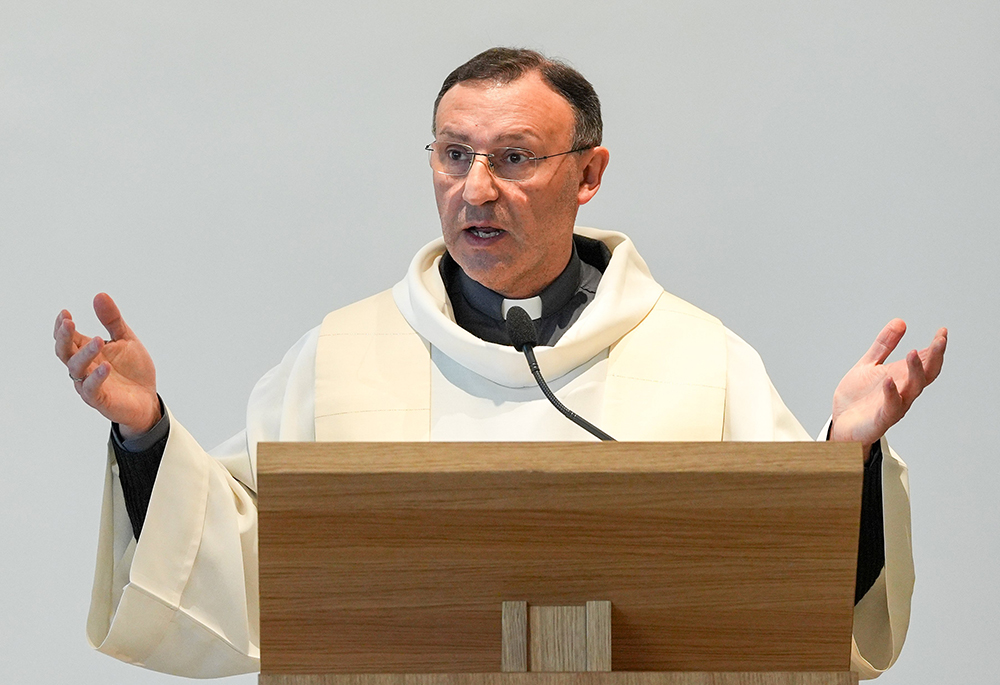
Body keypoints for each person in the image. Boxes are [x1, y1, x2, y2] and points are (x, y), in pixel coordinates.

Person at [54, 48, 946, 679]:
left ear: (588, 173)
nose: (475, 188)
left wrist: (848, 457)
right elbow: (239, 570)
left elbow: (795, 592)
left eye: (513, 158)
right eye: (453, 155)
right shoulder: (341, 354)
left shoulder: (698, 356)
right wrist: (147, 436)